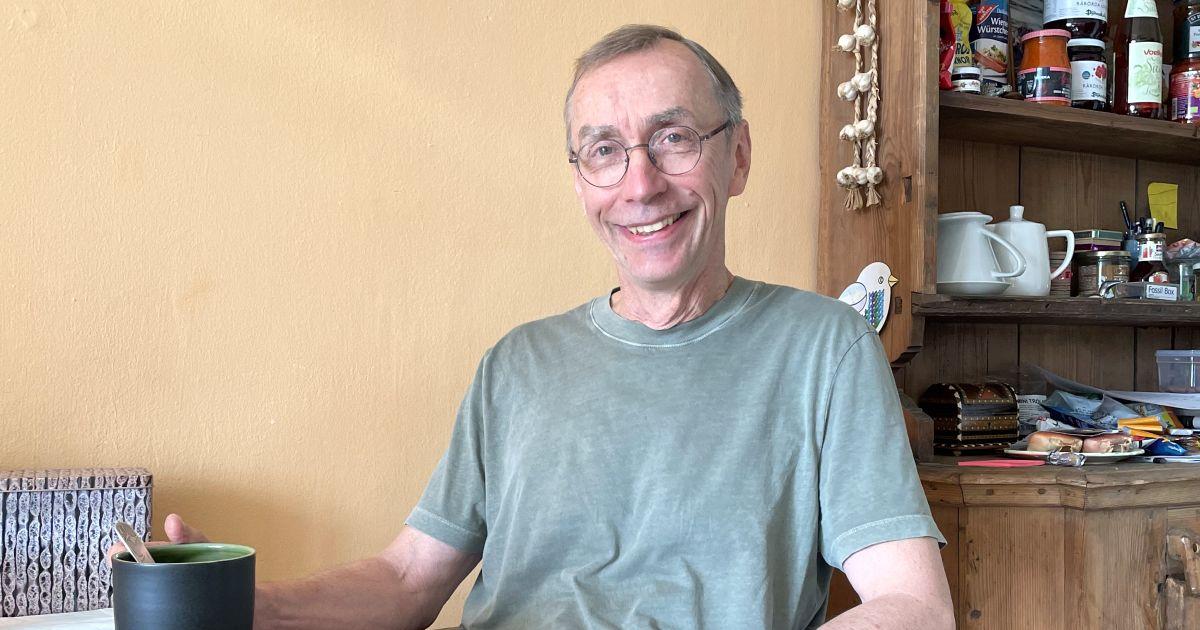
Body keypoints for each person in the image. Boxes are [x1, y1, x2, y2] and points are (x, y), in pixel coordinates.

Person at [110, 24, 952, 629]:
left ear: (737, 157)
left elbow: (912, 604)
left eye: (673, 137)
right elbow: (408, 579)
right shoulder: (517, 364)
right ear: (581, 181)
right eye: (604, 151)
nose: (640, 184)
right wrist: (249, 607)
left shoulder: (823, 348)